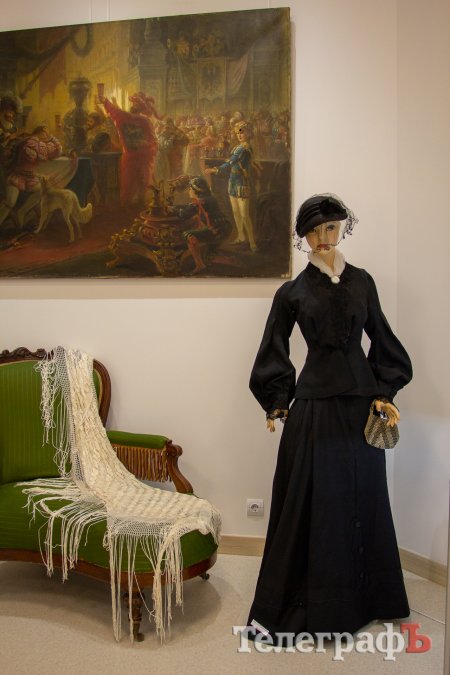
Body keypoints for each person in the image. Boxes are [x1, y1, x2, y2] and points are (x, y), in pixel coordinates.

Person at [247, 193, 413, 644]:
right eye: (315, 230)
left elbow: (382, 337)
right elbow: (273, 346)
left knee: (362, 498)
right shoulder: (292, 292)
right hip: (315, 407)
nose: (324, 237)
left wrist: (384, 391)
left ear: (342, 229)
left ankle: (368, 600)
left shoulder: (363, 282)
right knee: (314, 502)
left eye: (332, 227)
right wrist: (277, 399)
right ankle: (315, 604)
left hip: (361, 406)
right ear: (303, 236)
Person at [206, 121, 259, 251]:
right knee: (235, 212)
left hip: (241, 182)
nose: (239, 135)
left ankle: (252, 242)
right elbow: (232, 162)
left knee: (244, 215)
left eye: (242, 132)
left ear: (249, 133)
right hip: (233, 181)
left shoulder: (244, 148)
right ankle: (241, 236)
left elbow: (231, 162)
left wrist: (214, 170)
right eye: (237, 133)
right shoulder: (238, 147)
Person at [170, 175, 231, 275]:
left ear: (195, 190)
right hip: (225, 227)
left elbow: (183, 215)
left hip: (216, 231)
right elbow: (190, 207)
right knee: (197, 221)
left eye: (190, 189)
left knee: (187, 234)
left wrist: (172, 209)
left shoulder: (199, 202)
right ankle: (209, 254)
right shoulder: (209, 199)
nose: (189, 191)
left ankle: (200, 265)